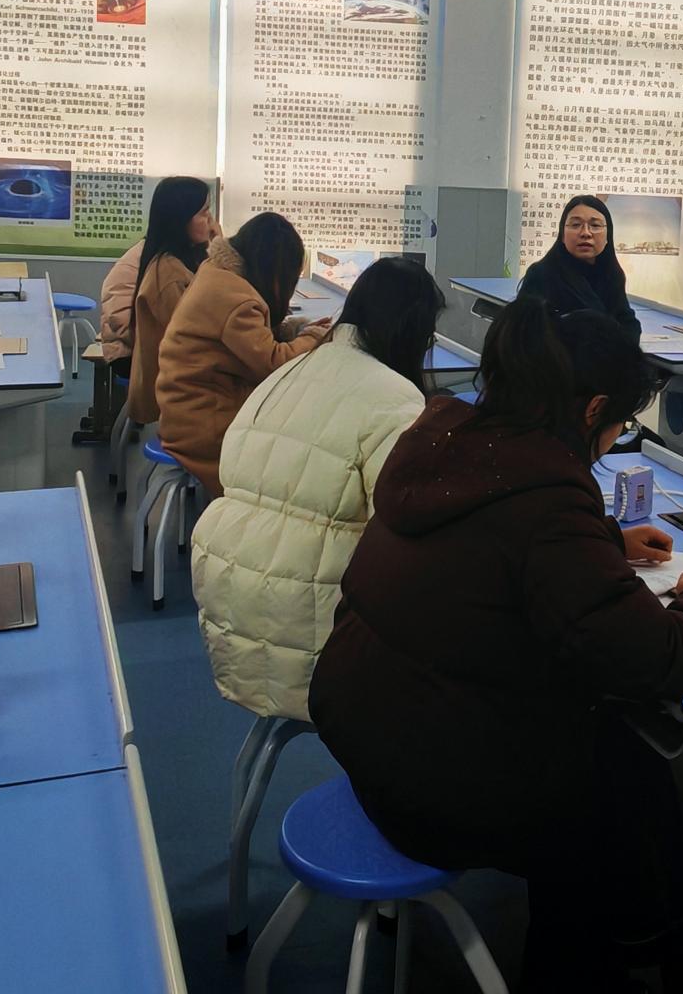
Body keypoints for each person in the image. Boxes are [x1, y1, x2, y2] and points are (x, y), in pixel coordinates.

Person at [309, 299, 683, 992]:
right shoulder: (548, 496)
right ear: (592, 409)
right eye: (620, 423)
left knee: (610, 758)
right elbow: (655, 658)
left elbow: (487, 553)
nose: (614, 438)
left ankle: (669, 929)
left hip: (364, 732)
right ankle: (618, 953)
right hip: (434, 786)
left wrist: (603, 543)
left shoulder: (445, 439)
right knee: (621, 763)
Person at [191, 257, 443, 722]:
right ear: (413, 331)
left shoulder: (290, 371)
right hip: (305, 621)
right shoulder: (395, 398)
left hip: (228, 597)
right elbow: (401, 528)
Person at [155, 212, 329, 496]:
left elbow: (250, 343)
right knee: (303, 446)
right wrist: (314, 337)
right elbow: (274, 364)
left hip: (184, 411)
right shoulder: (236, 297)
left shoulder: (216, 272)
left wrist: (293, 331)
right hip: (206, 425)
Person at [123, 177, 217, 425]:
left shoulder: (184, 261)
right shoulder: (170, 274)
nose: (211, 221)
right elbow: (197, 338)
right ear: (180, 218)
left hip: (176, 386)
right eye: (204, 212)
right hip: (172, 399)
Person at [517, 194, 640, 336]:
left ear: (608, 236)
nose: (586, 233)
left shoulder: (613, 275)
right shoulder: (542, 274)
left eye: (595, 225)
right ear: (562, 235)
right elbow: (526, 332)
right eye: (575, 225)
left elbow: (629, 325)